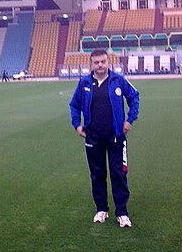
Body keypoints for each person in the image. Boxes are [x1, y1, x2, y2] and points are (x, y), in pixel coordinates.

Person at [69, 49, 139, 228]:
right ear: (91, 64)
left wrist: (130, 120)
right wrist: (77, 125)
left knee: (119, 174)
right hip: (93, 137)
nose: (100, 65)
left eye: (103, 62)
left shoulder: (118, 80)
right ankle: (101, 209)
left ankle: (122, 212)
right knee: (97, 175)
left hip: (116, 137)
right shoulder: (84, 82)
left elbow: (134, 97)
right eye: (96, 62)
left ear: (108, 62)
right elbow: (74, 105)